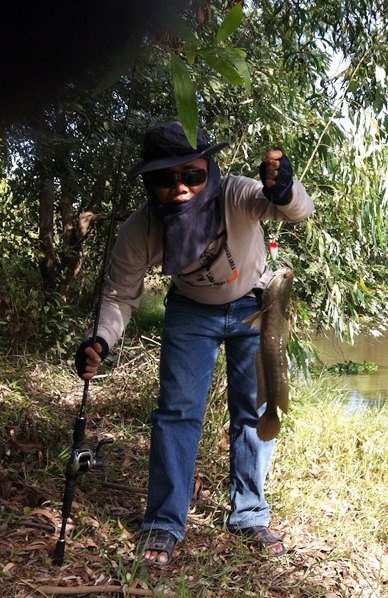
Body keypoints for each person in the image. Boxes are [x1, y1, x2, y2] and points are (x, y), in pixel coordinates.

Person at [74, 121, 314, 565]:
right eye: (165, 179)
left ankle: (250, 515)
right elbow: (118, 297)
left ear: (211, 169)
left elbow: (298, 210)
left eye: (192, 175)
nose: (180, 188)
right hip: (190, 310)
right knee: (177, 414)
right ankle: (164, 523)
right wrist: (100, 340)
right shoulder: (141, 229)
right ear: (150, 182)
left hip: (254, 303)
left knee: (254, 410)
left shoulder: (238, 193)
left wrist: (284, 189)